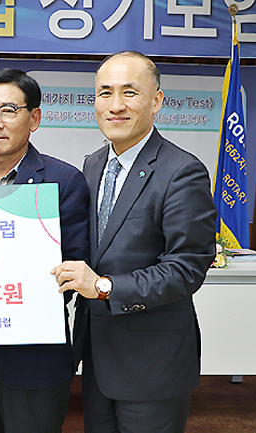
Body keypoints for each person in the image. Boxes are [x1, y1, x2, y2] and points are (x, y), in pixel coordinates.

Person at [51, 51, 216, 432]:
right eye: (104, 93)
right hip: (97, 356)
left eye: (129, 92)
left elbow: (186, 269)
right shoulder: (94, 164)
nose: (115, 105)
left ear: (156, 101)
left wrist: (104, 287)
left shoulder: (182, 171)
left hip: (152, 364)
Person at [0, 68, 90, 433]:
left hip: (34, 359)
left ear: (34, 118)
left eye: (8, 110)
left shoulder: (63, 180)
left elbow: (74, 263)